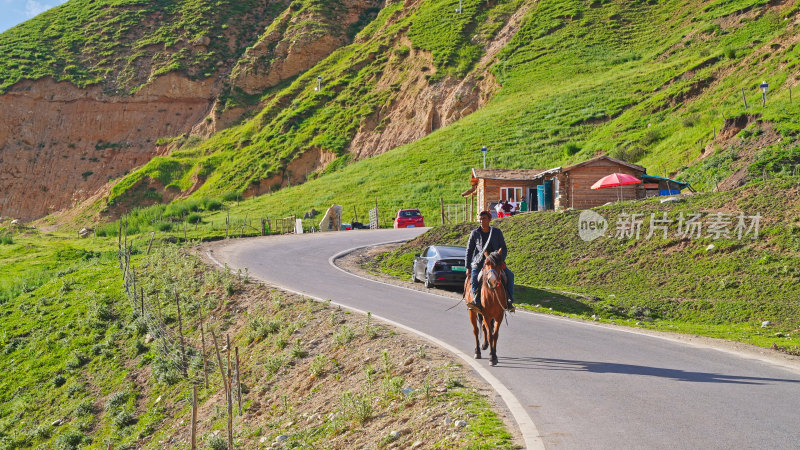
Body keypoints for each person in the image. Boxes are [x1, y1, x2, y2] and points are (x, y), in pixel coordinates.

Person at [465, 210, 515, 312]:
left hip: (495, 261)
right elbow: (469, 250)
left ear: (489, 219)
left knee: (510, 275)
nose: (481, 221)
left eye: (484, 219)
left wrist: (499, 258)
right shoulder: (474, 233)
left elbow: (503, 248)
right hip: (480, 261)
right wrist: (468, 267)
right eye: (480, 219)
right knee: (474, 278)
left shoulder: (497, 232)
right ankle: (477, 301)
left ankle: (509, 300)